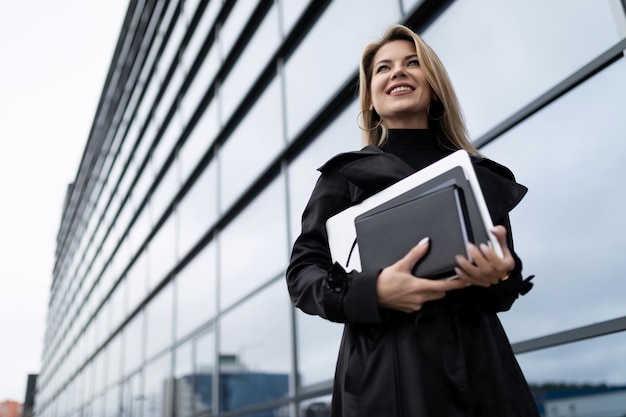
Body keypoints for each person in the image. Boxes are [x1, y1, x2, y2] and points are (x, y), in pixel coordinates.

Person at [286, 24, 538, 417]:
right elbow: (303, 274)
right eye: (383, 69)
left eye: (412, 63)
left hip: (480, 373)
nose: (397, 72)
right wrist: (373, 291)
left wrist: (503, 274)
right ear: (370, 99)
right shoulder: (343, 177)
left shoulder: (478, 175)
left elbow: (502, 286)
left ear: (434, 86)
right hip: (384, 378)